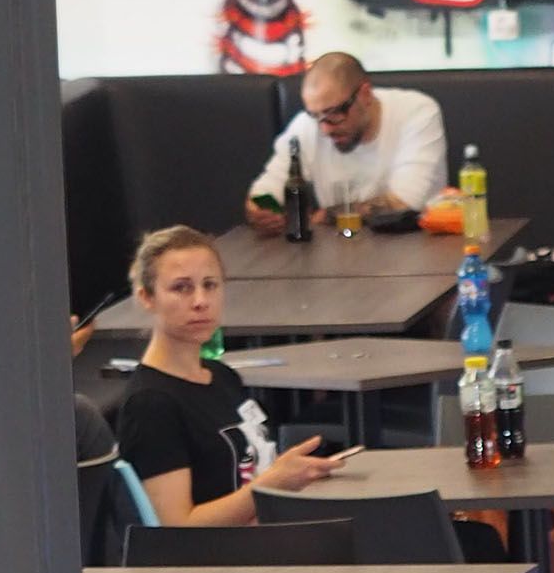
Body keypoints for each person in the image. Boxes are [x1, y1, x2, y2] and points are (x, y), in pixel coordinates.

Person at [113, 226, 346, 525]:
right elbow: (177, 529)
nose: (200, 301)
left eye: (210, 285)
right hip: (221, 552)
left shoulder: (222, 376)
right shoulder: (151, 404)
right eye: (181, 288)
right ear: (147, 297)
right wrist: (271, 484)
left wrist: (286, 476)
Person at [244, 54, 448, 234]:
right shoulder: (308, 125)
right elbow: (267, 190)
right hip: (340, 246)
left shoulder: (416, 113)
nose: (325, 129)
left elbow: (407, 203)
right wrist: (261, 212)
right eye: (315, 115)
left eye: (334, 113)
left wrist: (326, 216)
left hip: (413, 246)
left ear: (365, 94)